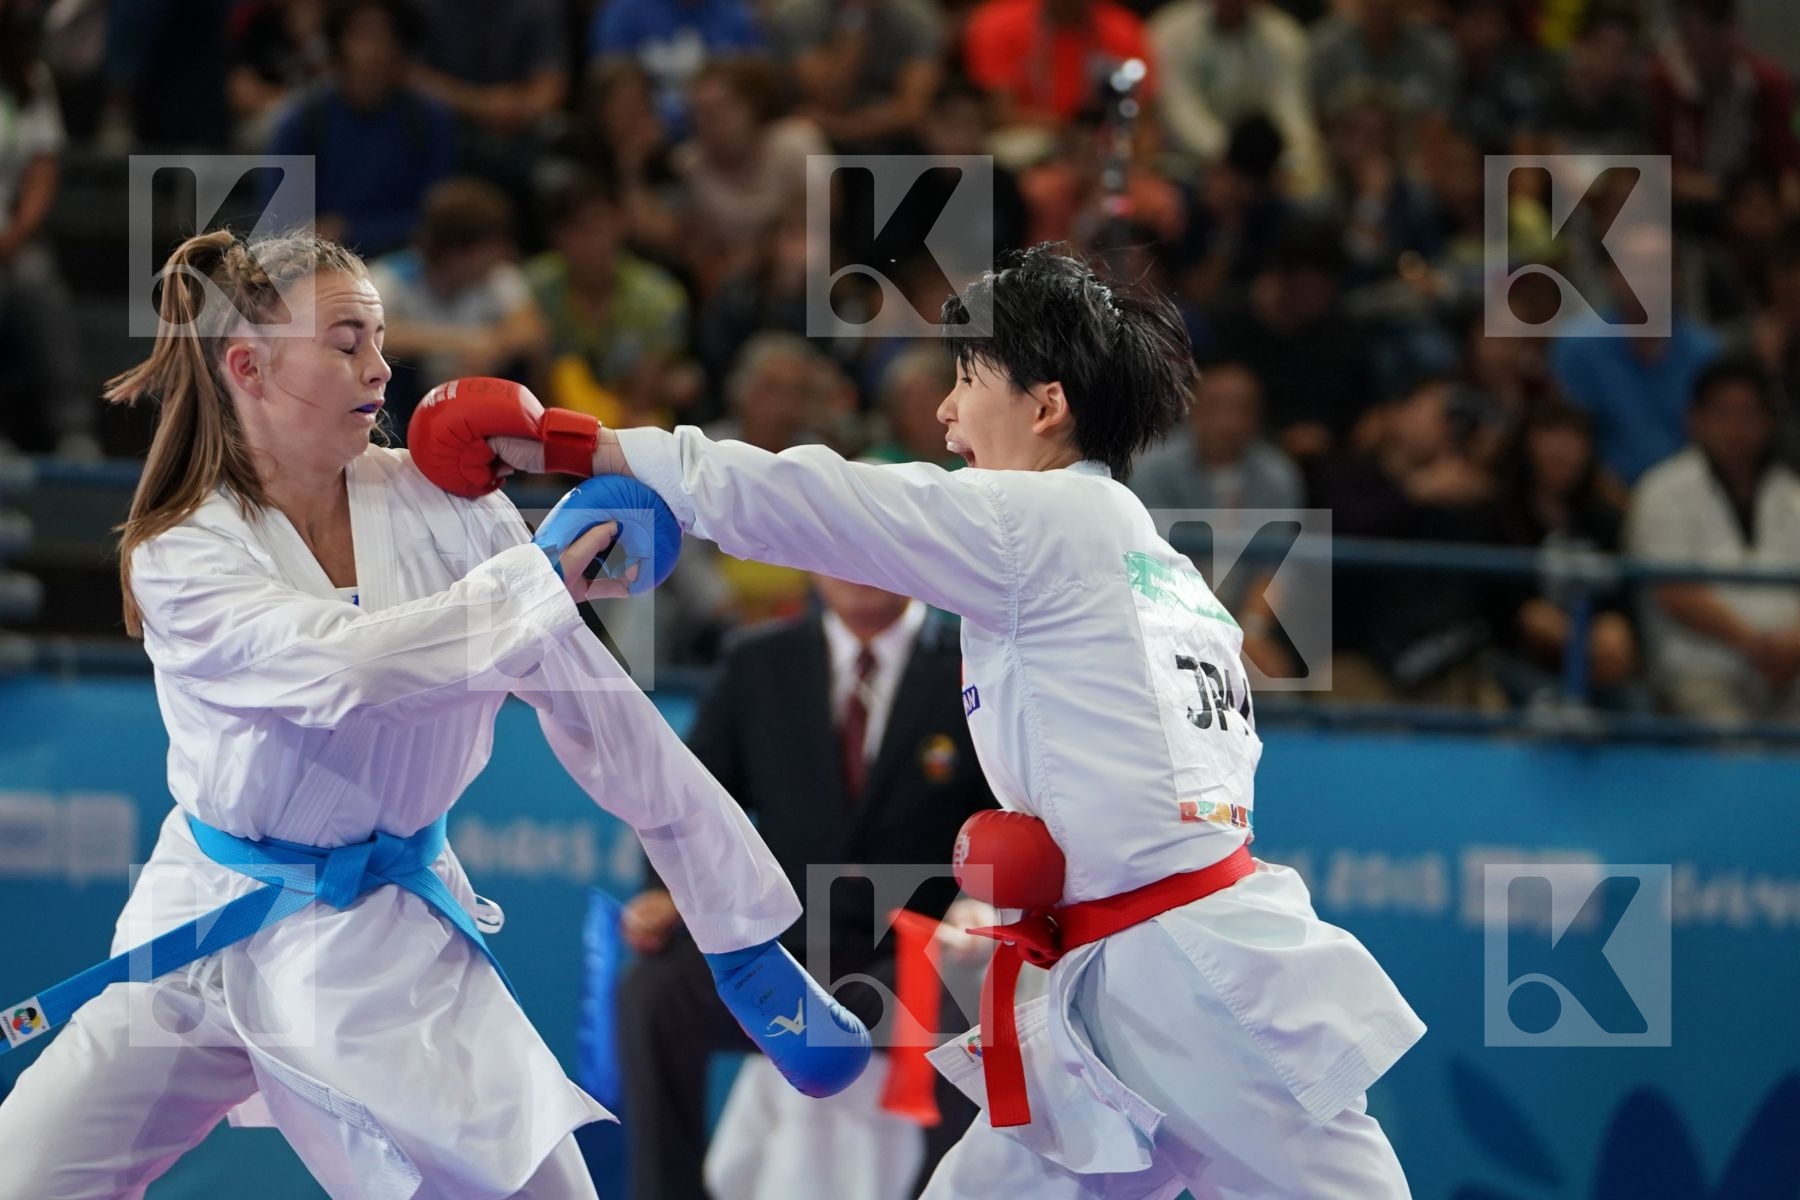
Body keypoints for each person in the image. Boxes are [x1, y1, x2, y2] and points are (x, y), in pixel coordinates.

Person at [430, 243, 1424, 1197]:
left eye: (967, 379)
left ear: (1045, 405)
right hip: (1118, 977)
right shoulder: (1159, 573)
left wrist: (576, 443)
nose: (946, 411)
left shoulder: (1043, 526)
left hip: (1192, 988)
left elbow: (820, 502)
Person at [0, 230, 862, 1199]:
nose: (381, 366)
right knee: (28, 1172)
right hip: (201, 917)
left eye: (379, 339)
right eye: (347, 342)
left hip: (378, 935)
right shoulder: (181, 554)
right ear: (248, 365)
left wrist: (741, 937)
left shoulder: (442, 507)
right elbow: (348, 669)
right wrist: (539, 573)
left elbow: (603, 714)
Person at [618, 575, 994, 1200]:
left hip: (917, 954)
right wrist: (666, 891)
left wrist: (979, 906)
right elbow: (693, 802)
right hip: (781, 952)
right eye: (836, 550)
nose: (854, 569)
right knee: (654, 994)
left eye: (871, 549)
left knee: (970, 1015)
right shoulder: (756, 661)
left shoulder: (974, 663)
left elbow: (1007, 814)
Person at [1626, 359, 1800, 722]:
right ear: (1695, 419)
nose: (1737, 429)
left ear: (1768, 422)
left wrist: (1792, 646)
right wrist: (1756, 647)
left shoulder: (1791, 492)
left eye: (1749, 414)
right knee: (1730, 750)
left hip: (1792, 664)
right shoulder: (1662, 490)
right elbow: (1675, 591)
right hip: (1699, 666)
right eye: (1724, 414)